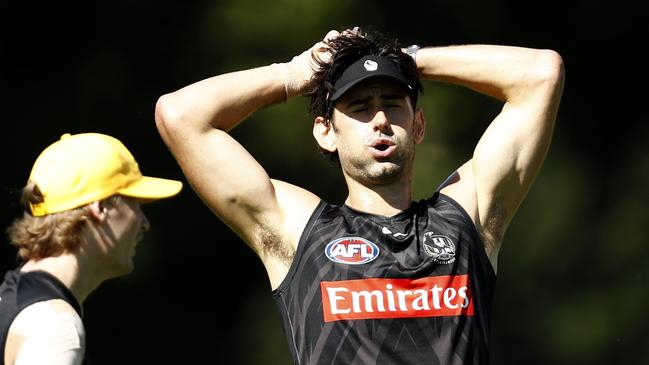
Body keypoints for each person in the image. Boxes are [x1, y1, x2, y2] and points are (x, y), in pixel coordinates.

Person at [155, 26, 564, 364]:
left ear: (418, 125)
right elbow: (181, 115)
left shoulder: (465, 219)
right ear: (325, 132)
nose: (381, 119)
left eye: (392, 104)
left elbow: (540, 73)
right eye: (360, 107)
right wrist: (293, 73)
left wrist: (408, 58)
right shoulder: (300, 231)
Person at [0, 132, 183, 365]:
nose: (144, 223)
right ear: (101, 207)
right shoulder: (57, 328)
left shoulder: (12, 298)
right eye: (135, 203)